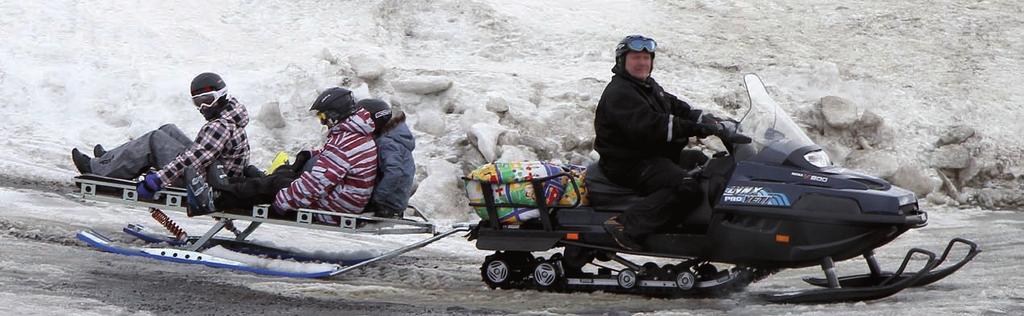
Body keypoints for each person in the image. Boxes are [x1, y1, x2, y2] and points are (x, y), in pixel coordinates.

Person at [593, 35, 722, 251]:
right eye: (635, 57)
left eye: (646, 58)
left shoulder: (647, 86)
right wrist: (695, 128)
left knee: (703, 162)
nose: (642, 62)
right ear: (622, 61)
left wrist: (709, 120)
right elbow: (652, 127)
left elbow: (676, 107)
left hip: (648, 156)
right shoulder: (620, 92)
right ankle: (625, 226)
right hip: (627, 163)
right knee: (685, 185)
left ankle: (705, 222)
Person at [188, 87, 379, 225]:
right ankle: (230, 187)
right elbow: (332, 160)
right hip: (345, 199)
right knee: (282, 179)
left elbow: (315, 186)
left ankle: (215, 199)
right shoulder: (356, 135)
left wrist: (281, 203)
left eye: (322, 117)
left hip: (335, 207)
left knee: (276, 185)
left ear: (334, 115)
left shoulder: (346, 141)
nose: (323, 122)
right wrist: (307, 157)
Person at [70, 72, 251, 199]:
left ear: (220, 96)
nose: (203, 108)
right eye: (197, 103)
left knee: (155, 139)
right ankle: (112, 160)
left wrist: (157, 181)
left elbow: (192, 161)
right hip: (214, 175)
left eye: (207, 101)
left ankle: (99, 169)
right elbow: (201, 155)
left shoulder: (220, 126)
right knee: (168, 129)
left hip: (205, 185)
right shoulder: (231, 116)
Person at [356, 98, 416, 218]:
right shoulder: (393, 137)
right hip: (393, 198)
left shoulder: (388, 143)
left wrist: (378, 198)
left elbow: (394, 172)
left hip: (387, 203)